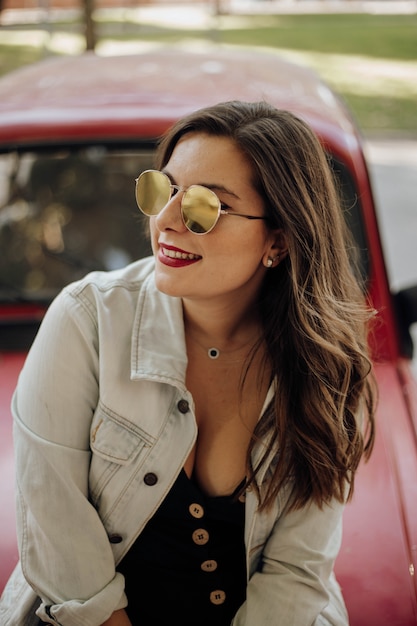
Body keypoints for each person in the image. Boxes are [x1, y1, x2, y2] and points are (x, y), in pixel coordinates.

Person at [0, 100, 376, 626]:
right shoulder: (87, 319)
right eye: (162, 189)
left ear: (279, 240)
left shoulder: (328, 365)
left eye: (206, 207)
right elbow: (53, 524)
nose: (167, 219)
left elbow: (297, 569)